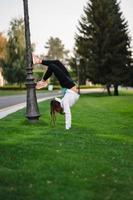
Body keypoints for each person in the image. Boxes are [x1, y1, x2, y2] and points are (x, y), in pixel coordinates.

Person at [33, 55, 80, 130]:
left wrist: (54, 104)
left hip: (70, 85)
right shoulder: (64, 103)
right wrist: (67, 127)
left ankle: (39, 61)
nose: (56, 99)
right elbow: (68, 114)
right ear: (57, 106)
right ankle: (43, 82)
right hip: (68, 84)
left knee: (57, 62)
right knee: (52, 66)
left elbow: (56, 99)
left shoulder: (63, 102)